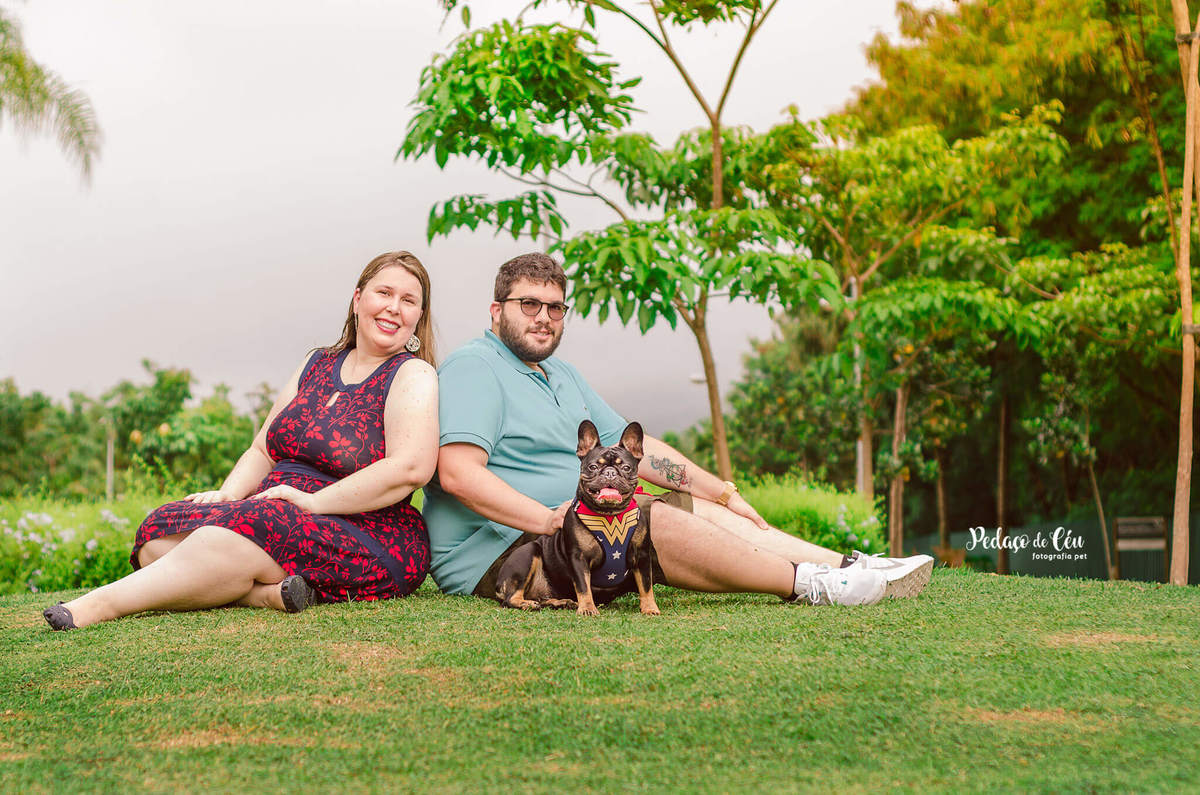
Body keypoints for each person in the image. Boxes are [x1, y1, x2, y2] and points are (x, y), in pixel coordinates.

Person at [422, 253, 934, 608]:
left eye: (555, 307)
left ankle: (850, 564)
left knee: (690, 507)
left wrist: (723, 493)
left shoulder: (560, 373)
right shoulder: (476, 366)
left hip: (576, 529)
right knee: (649, 518)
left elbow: (634, 452)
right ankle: (808, 585)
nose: (543, 317)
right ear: (497, 311)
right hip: (505, 555)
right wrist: (551, 521)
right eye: (528, 304)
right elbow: (460, 475)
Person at [42, 251, 440, 630]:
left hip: (363, 527)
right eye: (384, 293)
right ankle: (265, 595)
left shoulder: (413, 375)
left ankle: (101, 604)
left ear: (418, 316)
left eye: (408, 300)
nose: (394, 307)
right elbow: (264, 449)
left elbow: (409, 469)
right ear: (357, 299)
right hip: (271, 508)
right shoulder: (317, 362)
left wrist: (313, 503)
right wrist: (229, 494)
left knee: (227, 537)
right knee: (157, 531)